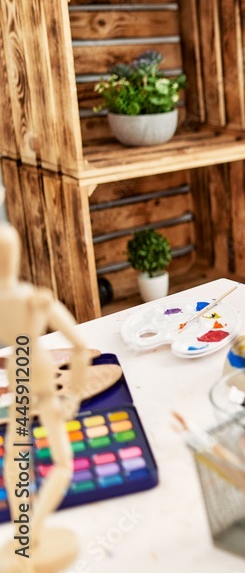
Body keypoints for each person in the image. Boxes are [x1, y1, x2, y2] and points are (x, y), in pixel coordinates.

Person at [0, 215, 91, 571]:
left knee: (15, 453)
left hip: (18, 377)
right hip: (38, 374)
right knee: (63, 463)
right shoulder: (33, 299)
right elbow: (81, 348)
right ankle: (31, 531)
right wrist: (74, 394)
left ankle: (26, 532)